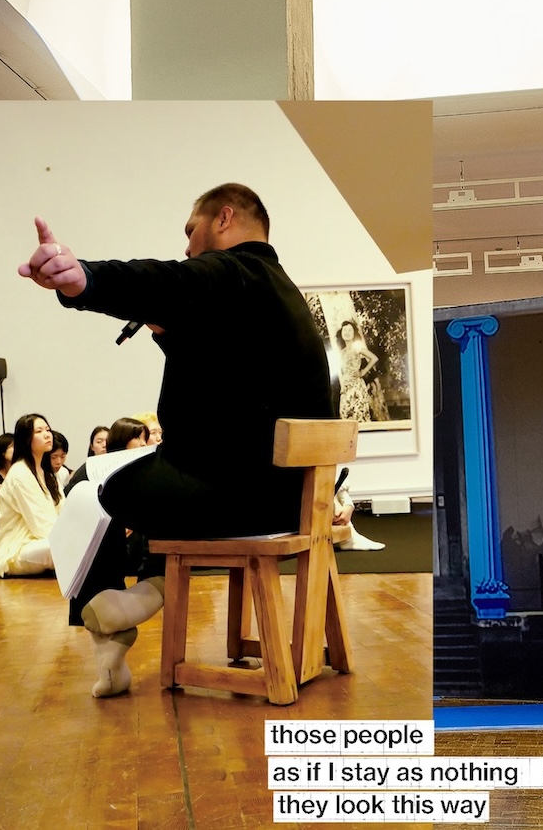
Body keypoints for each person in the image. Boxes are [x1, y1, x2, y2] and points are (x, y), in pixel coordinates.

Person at [19, 183, 334, 697]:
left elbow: (164, 279)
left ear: (224, 218)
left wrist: (85, 279)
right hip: (287, 502)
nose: (188, 246)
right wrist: (173, 335)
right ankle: (146, 591)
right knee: (146, 478)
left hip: (235, 498)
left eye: (192, 230)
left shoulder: (234, 270)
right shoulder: (280, 294)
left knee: (92, 483)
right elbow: (229, 383)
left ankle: (111, 622)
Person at [0, 413, 61, 577]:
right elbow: (41, 526)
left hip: (42, 540)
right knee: (61, 547)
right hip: (17, 549)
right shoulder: (19, 474)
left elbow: (63, 511)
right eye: (39, 431)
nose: (47, 435)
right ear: (26, 439)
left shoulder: (47, 474)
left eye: (47, 430)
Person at [334, 316, 381, 423]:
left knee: (359, 415)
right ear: (341, 333)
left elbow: (374, 358)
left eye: (350, 330)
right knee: (345, 416)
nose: (347, 333)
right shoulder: (342, 352)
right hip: (346, 389)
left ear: (354, 333)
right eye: (345, 330)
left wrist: (363, 372)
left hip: (357, 387)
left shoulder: (357, 346)